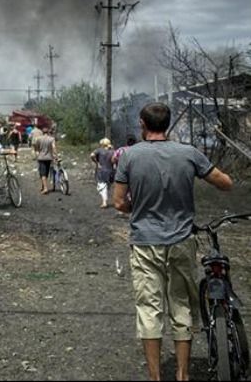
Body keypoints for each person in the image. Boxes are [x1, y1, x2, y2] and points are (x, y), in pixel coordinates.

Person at [113, 102, 233, 381]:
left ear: (143, 123)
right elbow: (225, 183)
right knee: (181, 306)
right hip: (181, 240)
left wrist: (140, 207)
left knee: (149, 309)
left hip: (144, 243)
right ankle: (182, 375)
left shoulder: (130, 156)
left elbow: (119, 202)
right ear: (167, 124)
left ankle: (155, 377)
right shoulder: (188, 153)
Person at [90, 138, 115, 208]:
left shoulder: (99, 150)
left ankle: (104, 202)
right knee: (107, 186)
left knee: (102, 186)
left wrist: (96, 162)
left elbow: (92, 155)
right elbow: (114, 160)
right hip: (110, 170)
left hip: (101, 171)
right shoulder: (112, 151)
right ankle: (105, 200)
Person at [33, 127, 57, 194]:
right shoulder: (51, 139)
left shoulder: (38, 139)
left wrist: (37, 154)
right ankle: (43, 186)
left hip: (41, 158)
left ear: (42, 132)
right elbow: (54, 147)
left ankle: (45, 188)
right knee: (46, 172)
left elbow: (36, 148)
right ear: (48, 132)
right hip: (49, 158)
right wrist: (56, 155)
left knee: (42, 173)